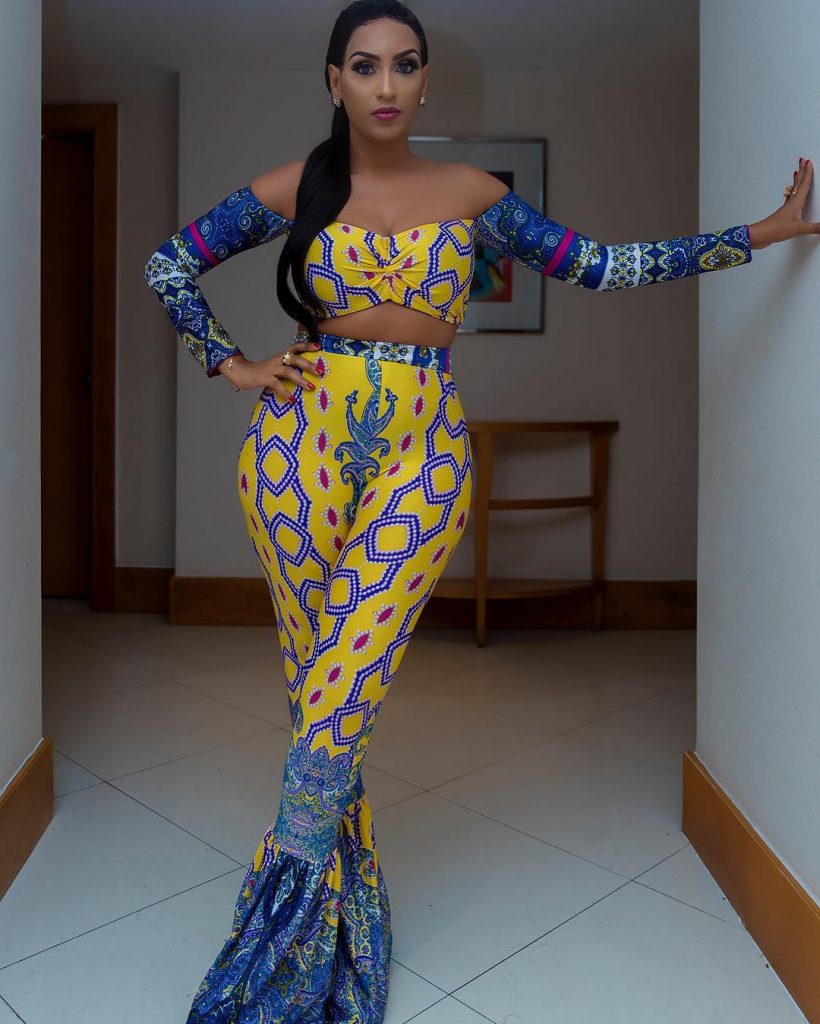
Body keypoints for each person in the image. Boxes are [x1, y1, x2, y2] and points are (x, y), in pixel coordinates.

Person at [143, 1, 816, 1019]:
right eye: (363, 65)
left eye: (403, 64)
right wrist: (230, 364)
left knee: (346, 679)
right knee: (317, 686)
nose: (384, 84)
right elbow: (169, 263)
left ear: (425, 82)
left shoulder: (475, 196)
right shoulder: (292, 188)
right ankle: (340, 919)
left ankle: (276, 945)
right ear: (333, 81)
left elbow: (602, 266)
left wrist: (758, 235)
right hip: (294, 451)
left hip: (423, 453)